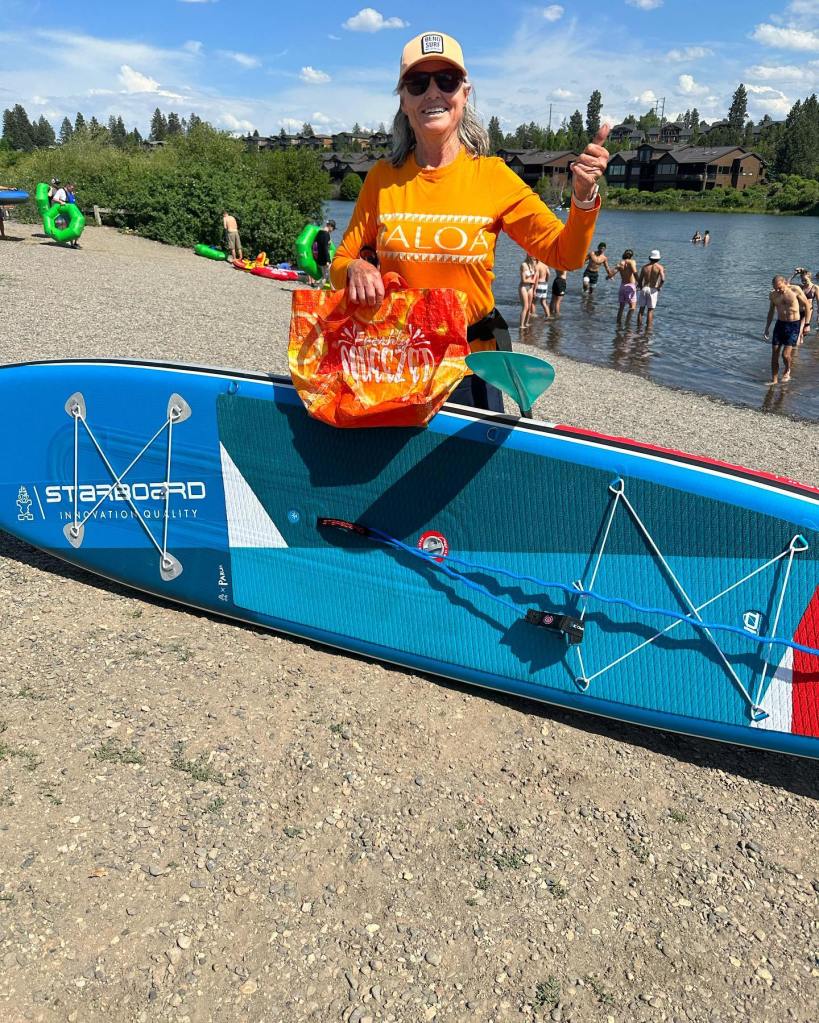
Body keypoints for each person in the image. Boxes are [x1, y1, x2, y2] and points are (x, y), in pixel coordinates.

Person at [331, 29, 608, 410]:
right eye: (418, 82)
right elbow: (339, 265)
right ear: (404, 101)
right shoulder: (382, 178)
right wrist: (356, 268)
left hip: (472, 370)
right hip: (395, 365)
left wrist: (583, 197)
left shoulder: (492, 177)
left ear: (464, 93)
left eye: (446, 80)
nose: (433, 93)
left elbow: (567, 255)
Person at [764, 275, 810, 384]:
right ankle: (774, 381)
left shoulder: (795, 290)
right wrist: (767, 328)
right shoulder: (773, 295)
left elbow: (807, 305)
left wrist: (807, 324)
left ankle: (787, 370)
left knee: (785, 355)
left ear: (785, 282)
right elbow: (771, 312)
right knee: (774, 354)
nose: (778, 290)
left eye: (780, 287)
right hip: (780, 324)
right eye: (775, 288)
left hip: (793, 325)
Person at [636, 249, 665, 329]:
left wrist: (641, 287)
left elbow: (640, 280)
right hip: (653, 289)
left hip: (644, 288)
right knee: (650, 310)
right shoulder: (660, 267)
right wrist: (659, 287)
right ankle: (648, 329)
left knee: (641, 310)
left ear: (650, 258)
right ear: (658, 258)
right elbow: (663, 279)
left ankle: (638, 328)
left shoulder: (645, 267)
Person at [607, 248, 638, 323]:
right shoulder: (632, 262)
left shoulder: (620, 263)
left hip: (622, 287)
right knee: (632, 307)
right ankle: (627, 323)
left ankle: (618, 323)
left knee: (621, 308)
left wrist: (608, 277)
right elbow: (635, 273)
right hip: (630, 286)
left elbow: (610, 275)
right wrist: (640, 283)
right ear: (631, 256)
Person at [790, 268, 817, 335]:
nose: (803, 281)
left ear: (810, 278)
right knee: (798, 332)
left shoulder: (815, 287)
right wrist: (795, 274)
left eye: (805, 280)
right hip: (798, 311)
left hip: (807, 312)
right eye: (802, 280)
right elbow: (787, 284)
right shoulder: (800, 287)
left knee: (799, 331)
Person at [314, 219, 336, 288]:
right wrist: (328, 260)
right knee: (329, 276)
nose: (332, 230)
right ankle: (333, 290)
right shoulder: (326, 234)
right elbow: (325, 248)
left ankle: (318, 289)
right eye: (333, 228)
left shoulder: (319, 233)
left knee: (326, 276)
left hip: (319, 258)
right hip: (325, 259)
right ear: (330, 226)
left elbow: (317, 244)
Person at [519, 253, 537, 328]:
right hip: (523, 287)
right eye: (533, 255)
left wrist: (534, 286)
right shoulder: (523, 265)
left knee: (529, 307)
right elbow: (523, 280)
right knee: (525, 307)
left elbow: (535, 276)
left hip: (530, 287)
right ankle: (521, 325)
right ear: (528, 255)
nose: (534, 257)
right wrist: (533, 281)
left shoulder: (532, 265)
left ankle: (526, 323)